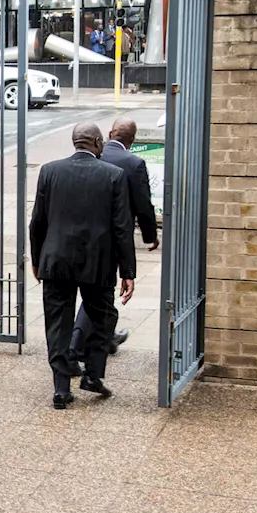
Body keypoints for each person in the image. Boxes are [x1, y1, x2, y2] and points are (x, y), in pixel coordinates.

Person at [29, 123, 136, 407]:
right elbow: (122, 228)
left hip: (56, 261)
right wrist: (128, 272)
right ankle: (92, 374)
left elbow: (37, 221)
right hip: (98, 263)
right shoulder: (114, 176)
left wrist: (37, 260)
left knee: (58, 325)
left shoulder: (50, 171)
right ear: (98, 143)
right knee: (104, 319)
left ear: (75, 142)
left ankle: (61, 389)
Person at [69, 115, 159, 362]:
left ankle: (105, 338)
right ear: (132, 140)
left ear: (109, 134)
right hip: (111, 241)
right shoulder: (133, 163)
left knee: (97, 295)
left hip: (80, 236)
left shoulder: (94, 154)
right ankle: (77, 348)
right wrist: (150, 236)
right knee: (98, 294)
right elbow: (143, 205)